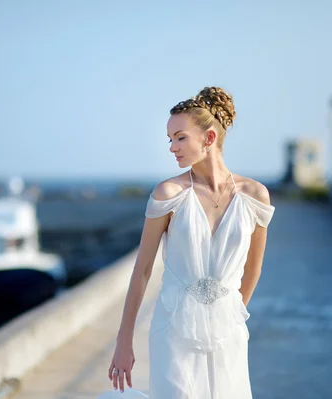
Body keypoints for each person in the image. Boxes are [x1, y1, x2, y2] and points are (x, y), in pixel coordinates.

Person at [99, 87, 275, 398]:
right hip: (173, 332)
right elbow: (142, 271)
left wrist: (228, 315)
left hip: (229, 335)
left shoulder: (255, 196)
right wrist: (124, 340)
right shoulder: (168, 195)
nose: (172, 148)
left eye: (180, 137)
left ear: (208, 138)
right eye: (170, 139)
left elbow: (253, 271)